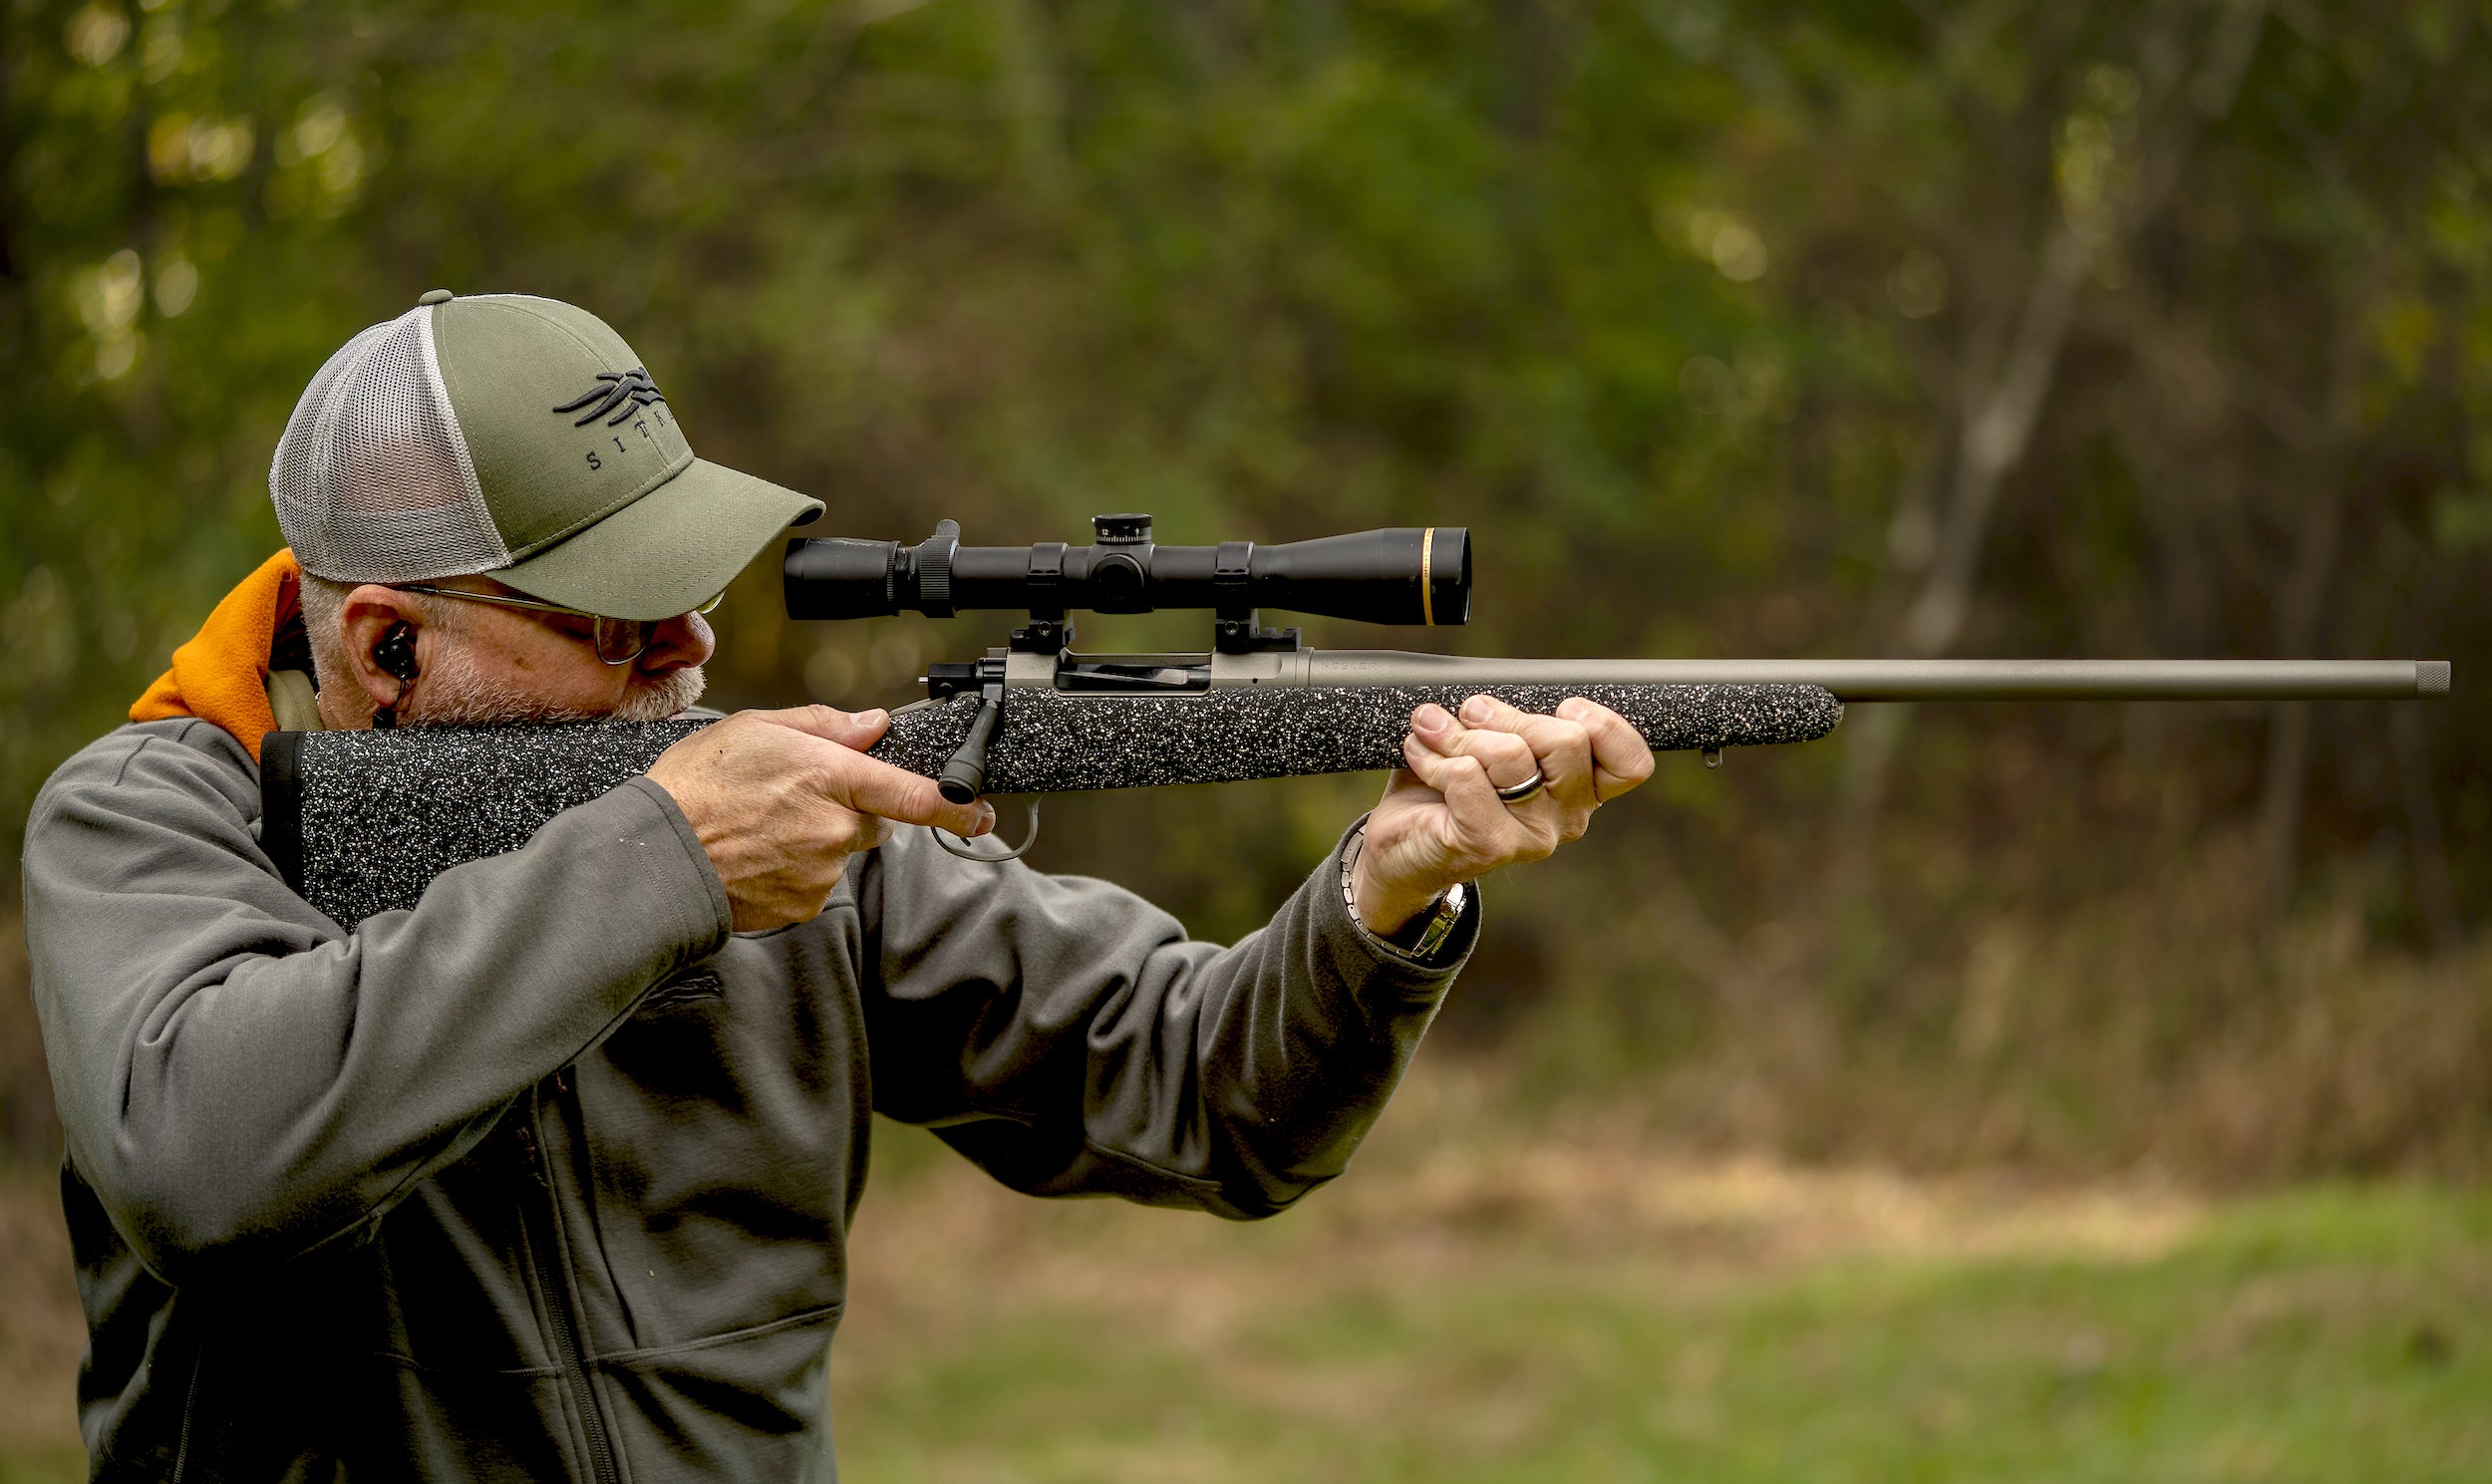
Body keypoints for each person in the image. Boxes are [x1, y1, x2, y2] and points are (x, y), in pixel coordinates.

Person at [21, 290, 1653, 1482]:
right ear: (386, 645)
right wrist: (666, 862)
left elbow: (1204, 1090)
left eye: (691, 590)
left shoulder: (791, 827)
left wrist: (1385, 892)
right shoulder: (162, 818)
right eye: (623, 618)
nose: (698, 651)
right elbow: (206, 1150)